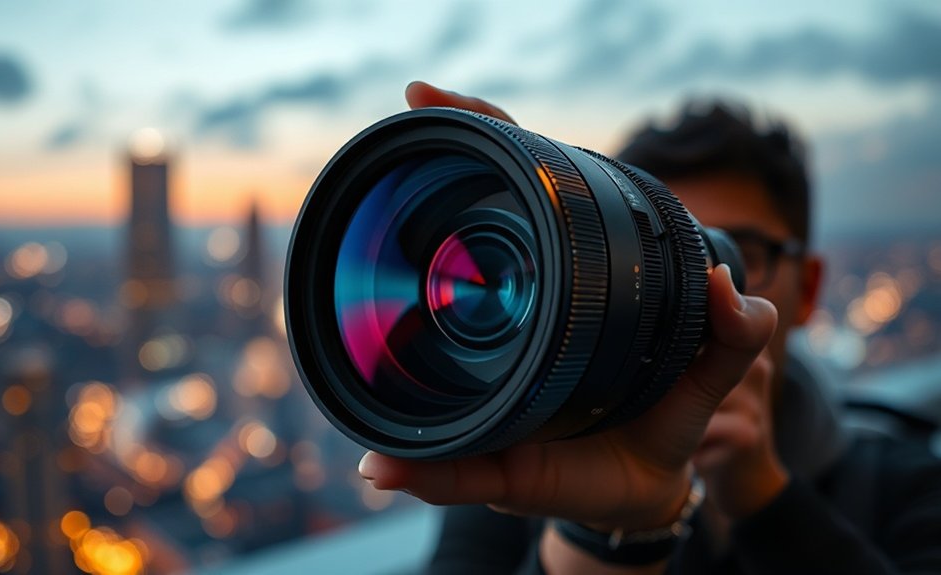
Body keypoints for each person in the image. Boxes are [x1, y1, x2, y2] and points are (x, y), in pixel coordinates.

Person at [356, 82, 941, 574]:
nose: (700, 289)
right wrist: (610, 528)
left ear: (809, 289)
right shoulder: (515, 476)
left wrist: (763, 497)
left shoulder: (905, 486)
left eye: (739, 253)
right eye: (653, 253)